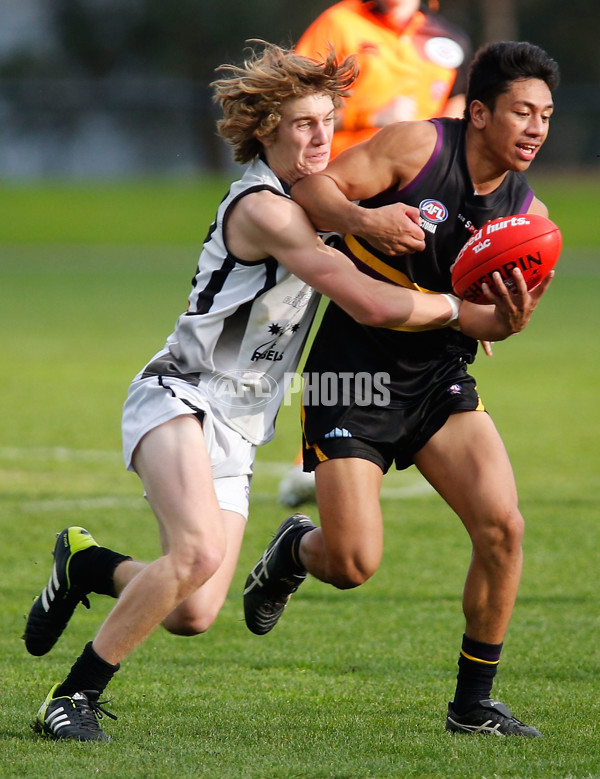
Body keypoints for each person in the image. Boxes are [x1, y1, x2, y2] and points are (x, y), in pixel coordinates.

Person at [23, 41, 504, 743]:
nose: (320, 138)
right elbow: (365, 299)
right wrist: (459, 310)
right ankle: (72, 698)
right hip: (180, 395)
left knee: (192, 608)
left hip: (241, 426)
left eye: (327, 123)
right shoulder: (262, 206)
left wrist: (459, 282)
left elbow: (379, 242)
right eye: (302, 124)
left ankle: (86, 563)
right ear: (268, 130)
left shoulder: (316, 197)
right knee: (195, 554)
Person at [244, 41, 559, 737]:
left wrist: (508, 321)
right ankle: (295, 548)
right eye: (521, 112)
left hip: (438, 379)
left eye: (545, 115)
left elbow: (487, 324)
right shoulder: (420, 147)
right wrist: (362, 220)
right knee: (353, 563)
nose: (536, 128)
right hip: (352, 372)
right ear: (478, 112)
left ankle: (472, 705)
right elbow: (311, 190)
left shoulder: (523, 212)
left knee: (503, 527)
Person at [278, 0, 472, 506]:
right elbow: (291, 99)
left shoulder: (444, 42)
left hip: (405, 202)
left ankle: (339, 452)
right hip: (334, 191)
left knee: (374, 320)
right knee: (316, 314)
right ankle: (309, 447)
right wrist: (368, 115)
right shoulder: (341, 22)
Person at [296, 0, 471, 159]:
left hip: (418, 177)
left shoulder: (451, 39)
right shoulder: (339, 22)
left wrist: (441, 152)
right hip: (341, 173)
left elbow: (456, 100)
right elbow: (297, 104)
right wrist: (369, 118)